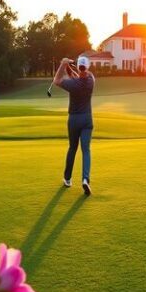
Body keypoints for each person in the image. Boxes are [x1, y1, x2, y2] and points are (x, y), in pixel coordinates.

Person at [53, 55, 94, 196]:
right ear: (87, 68)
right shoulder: (91, 80)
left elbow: (57, 80)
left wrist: (63, 64)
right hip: (87, 120)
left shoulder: (73, 85)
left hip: (74, 120)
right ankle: (85, 179)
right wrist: (68, 67)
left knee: (72, 148)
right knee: (86, 150)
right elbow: (77, 76)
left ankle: (67, 179)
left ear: (78, 66)